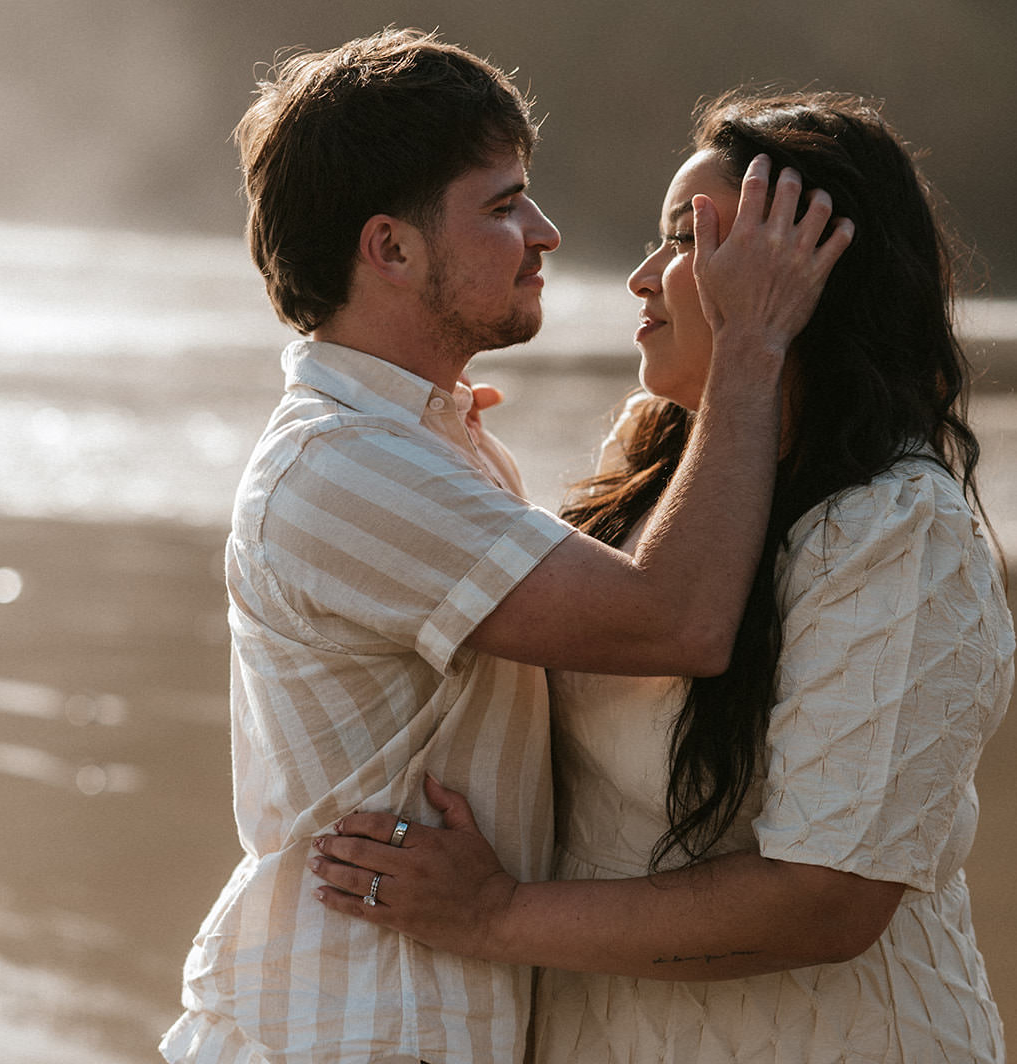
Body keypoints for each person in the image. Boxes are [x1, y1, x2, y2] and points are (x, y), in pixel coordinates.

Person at [159, 33, 852, 1064]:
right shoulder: (346, 467)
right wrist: (748, 346)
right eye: (501, 205)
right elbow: (676, 619)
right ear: (388, 248)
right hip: (340, 1031)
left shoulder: (416, 442)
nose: (545, 232)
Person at [312, 90, 1015, 1063]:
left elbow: (828, 898)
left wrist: (495, 913)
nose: (644, 277)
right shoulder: (652, 486)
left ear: (803, 274)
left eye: (690, 241)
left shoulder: (895, 531)